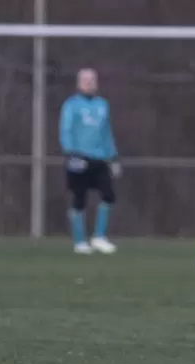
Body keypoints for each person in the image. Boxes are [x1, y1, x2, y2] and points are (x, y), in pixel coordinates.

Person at [59, 68, 121, 254]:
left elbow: (106, 133)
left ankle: (99, 237)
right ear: (79, 83)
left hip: (100, 158)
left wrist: (113, 157)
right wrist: (70, 153)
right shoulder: (71, 105)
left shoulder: (103, 105)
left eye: (93, 80)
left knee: (108, 195)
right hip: (79, 158)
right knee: (79, 198)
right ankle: (79, 241)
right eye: (86, 80)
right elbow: (66, 129)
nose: (90, 83)